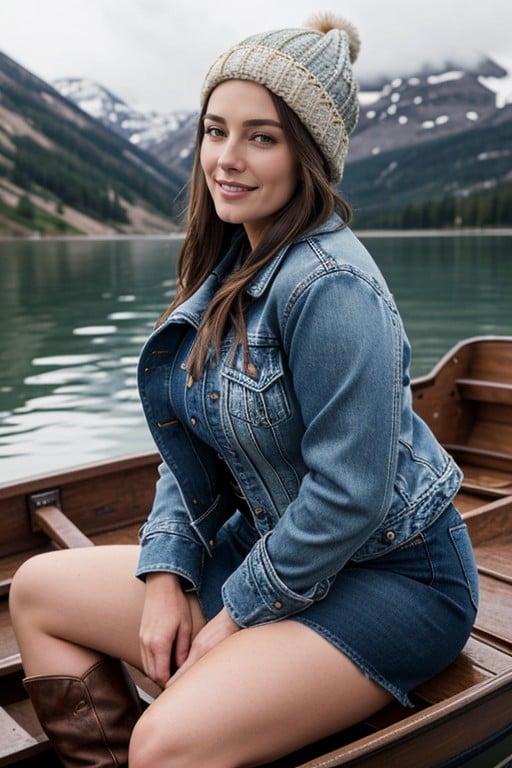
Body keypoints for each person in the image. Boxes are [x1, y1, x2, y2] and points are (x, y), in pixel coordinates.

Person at [9, 13, 479, 768]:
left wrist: (235, 619)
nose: (225, 159)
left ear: (308, 155)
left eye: (261, 136)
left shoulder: (332, 287)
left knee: (164, 744)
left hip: (394, 578)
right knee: (37, 592)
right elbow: (188, 449)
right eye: (215, 130)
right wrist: (168, 570)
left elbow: (351, 496)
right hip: (272, 547)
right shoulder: (230, 262)